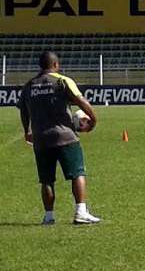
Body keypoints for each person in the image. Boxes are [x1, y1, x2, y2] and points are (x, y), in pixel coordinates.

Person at [17, 51, 102, 225]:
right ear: (56, 65)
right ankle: (80, 212)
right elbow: (80, 101)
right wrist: (93, 119)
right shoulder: (63, 81)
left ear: (40, 65)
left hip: (41, 139)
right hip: (65, 136)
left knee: (46, 179)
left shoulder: (29, 85)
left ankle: (48, 216)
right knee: (77, 173)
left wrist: (27, 131)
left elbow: (24, 111)